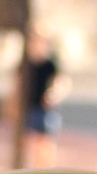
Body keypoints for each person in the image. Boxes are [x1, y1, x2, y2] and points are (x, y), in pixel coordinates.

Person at [19, 28, 71, 166]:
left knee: (46, 142)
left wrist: (53, 94)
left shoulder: (50, 63)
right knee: (30, 141)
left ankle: (46, 169)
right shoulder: (26, 64)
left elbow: (61, 82)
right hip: (29, 106)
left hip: (44, 108)